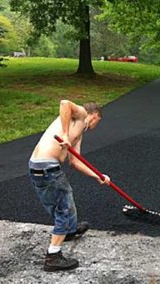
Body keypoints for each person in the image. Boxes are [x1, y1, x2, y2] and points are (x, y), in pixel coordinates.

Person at [28, 100, 110, 272]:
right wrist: (65, 134)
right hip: (47, 168)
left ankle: (70, 231)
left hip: (39, 167)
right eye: (98, 121)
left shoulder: (79, 133)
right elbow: (65, 103)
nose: (96, 124)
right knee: (63, 209)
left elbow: (75, 162)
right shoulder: (80, 115)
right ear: (94, 116)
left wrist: (99, 176)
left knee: (64, 198)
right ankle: (53, 257)